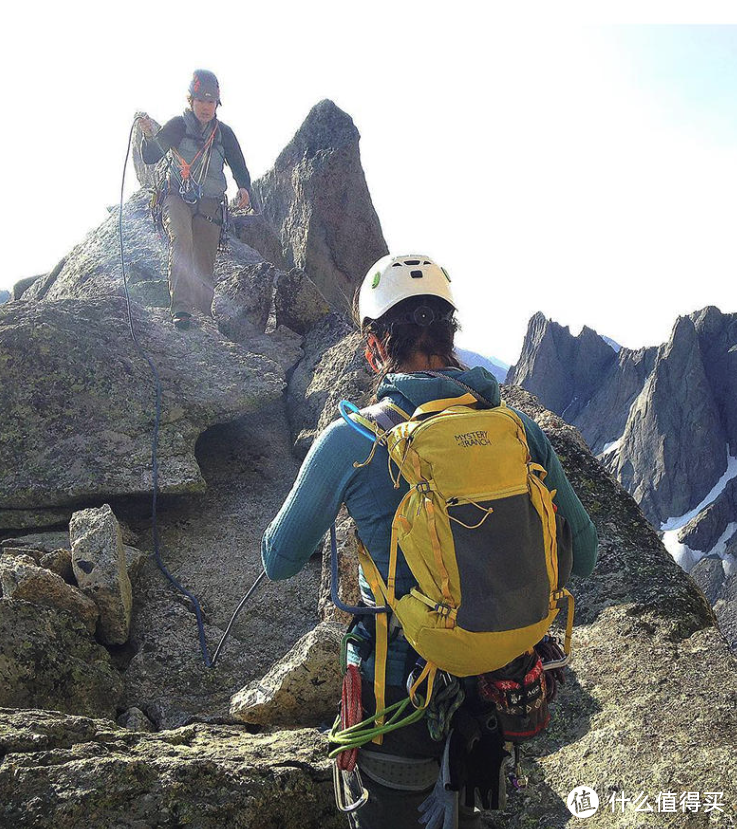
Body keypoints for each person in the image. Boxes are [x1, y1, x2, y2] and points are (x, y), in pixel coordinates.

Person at [261, 254, 599, 828]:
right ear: (451, 336)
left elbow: (280, 559)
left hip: (398, 700)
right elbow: (583, 552)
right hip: (499, 688)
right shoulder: (519, 431)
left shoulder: (353, 439)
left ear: (374, 348)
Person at [139, 69, 253, 329]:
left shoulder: (224, 134)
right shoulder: (178, 126)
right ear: (190, 101)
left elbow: (239, 166)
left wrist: (244, 188)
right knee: (182, 239)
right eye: (201, 100)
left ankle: (203, 314)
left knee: (204, 258)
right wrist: (148, 134)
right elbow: (151, 156)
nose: (205, 107)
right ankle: (180, 308)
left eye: (211, 102)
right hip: (177, 196)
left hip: (210, 203)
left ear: (217, 104)